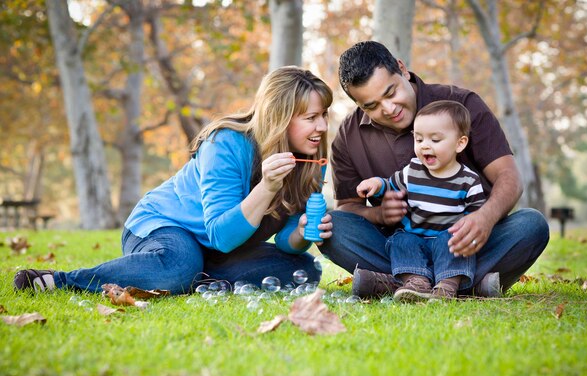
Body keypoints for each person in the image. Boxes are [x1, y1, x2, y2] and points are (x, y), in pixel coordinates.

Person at [14, 66, 334, 294]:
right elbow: (221, 235)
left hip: (215, 252)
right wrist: (267, 187)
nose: (321, 127)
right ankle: (63, 280)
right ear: (278, 117)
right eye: (310, 118)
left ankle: (190, 278)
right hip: (163, 227)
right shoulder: (227, 143)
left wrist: (302, 233)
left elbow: (286, 239)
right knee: (180, 264)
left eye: (324, 115)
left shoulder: (310, 160)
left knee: (302, 268)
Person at [320, 40, 549, 298]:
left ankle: (400, 285)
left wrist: (484, 218)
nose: (388, 109)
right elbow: (348, 207)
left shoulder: (462, 104)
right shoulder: (348, 137)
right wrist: (379, 215)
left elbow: (509, 177)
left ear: (402, 69)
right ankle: (460, 286)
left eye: (391, 92)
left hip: (465, 243)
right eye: (371, 106)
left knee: (531, 225)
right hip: (402, 246)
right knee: (332, 226)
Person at [356, 100, 486, 301]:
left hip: (448, 242)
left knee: (455, 240)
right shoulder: (412, 171)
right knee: (401, 239)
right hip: (416, 240)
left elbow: (477, 218)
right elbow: (390, 185)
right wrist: (376, 184)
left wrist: (469, 235)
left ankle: (447, 285)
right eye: (418, 139)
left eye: (435, 140)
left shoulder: (468, 181)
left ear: (460, 143)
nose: (425, 146)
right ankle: (417, 282)